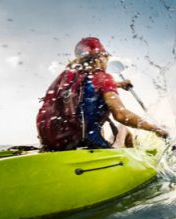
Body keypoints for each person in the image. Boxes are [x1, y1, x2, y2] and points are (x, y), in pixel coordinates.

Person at [37, 37, 167, 150]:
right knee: (123, 128)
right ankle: (132, 163)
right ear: (101, 57)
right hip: (88, 143)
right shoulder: (103, 77)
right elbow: (121, 115)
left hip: (53, 145)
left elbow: (86, 91)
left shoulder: (65, 77)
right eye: (106, 57)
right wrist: (155, 129)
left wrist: (118, 85)